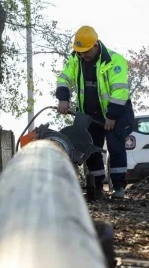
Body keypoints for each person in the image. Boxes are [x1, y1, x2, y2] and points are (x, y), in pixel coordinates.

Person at [56, 26, 134, 199]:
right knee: (89, 149)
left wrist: (111, 116)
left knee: (116, 148)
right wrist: (63, 98)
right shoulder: (75, 59)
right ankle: (97, 186)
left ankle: (119, 187)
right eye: (79, 51)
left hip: (115, 113)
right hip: (89, 115)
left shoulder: (115, 61)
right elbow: (63, 78)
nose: (82, 55)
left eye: (85, 51)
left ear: (96, 46)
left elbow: (120, 91)